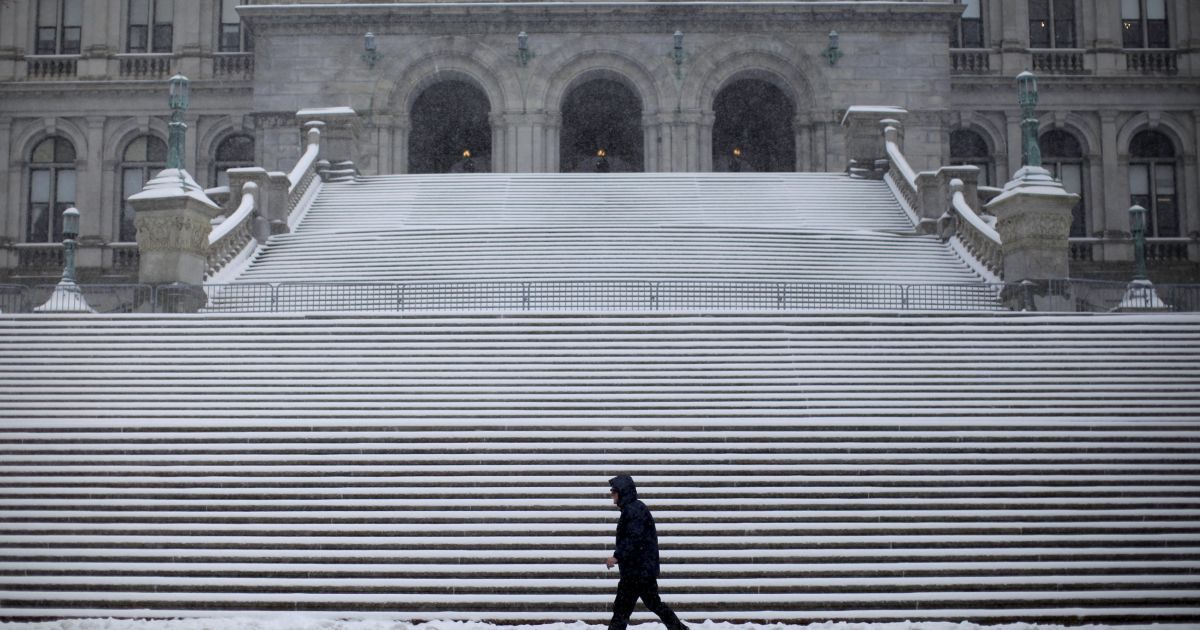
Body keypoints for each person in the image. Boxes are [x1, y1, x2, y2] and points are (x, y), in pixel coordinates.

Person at [605, 475, 689, 630]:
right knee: (644, 605)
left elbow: (633, 538)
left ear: (622, 492)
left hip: (637, 572)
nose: (612, 495)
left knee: (623, 609)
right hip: (640, 570)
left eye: (613, 492)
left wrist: (617, 556)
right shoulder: (634, 509)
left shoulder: (633, 510)